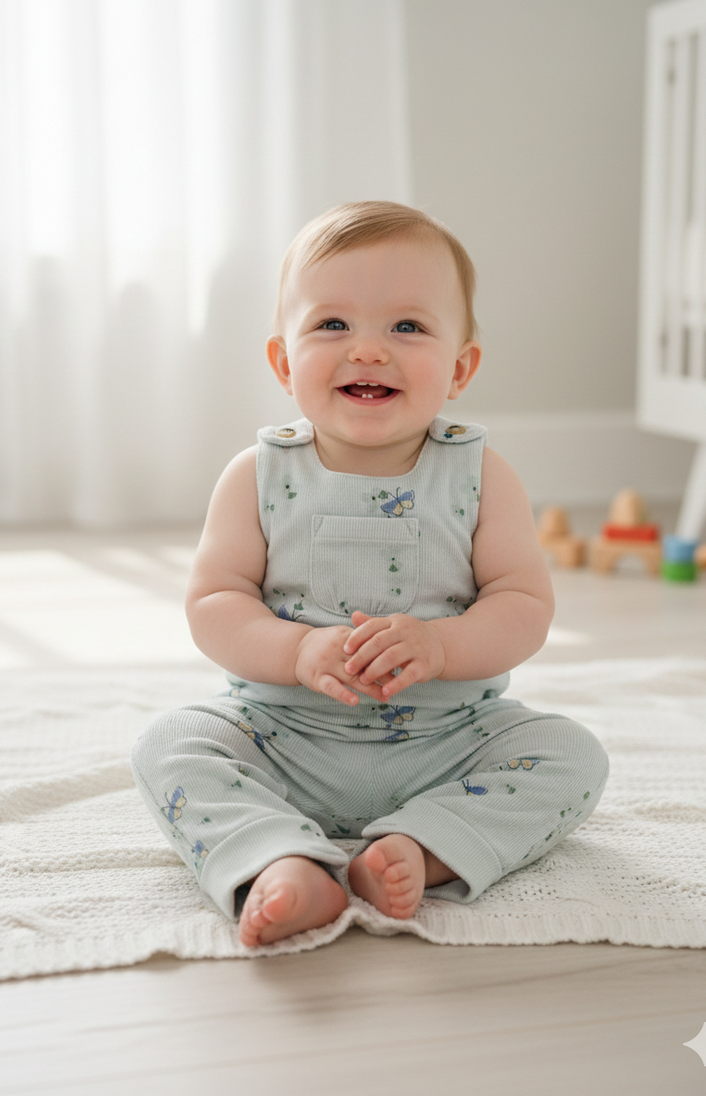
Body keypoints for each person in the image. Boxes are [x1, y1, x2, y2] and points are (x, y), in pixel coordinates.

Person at [131, 201, 609, 948]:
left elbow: (523, 603)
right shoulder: (256, 474)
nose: (370, 351)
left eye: (407, 327)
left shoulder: (482, 475)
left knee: (573, 755)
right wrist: (292, 651)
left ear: (460, 367)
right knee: (172, 741)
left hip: (450, 740)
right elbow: (214, 602)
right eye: (332, 325)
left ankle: (420, 845)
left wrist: (445, 646)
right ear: (284, 362)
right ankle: (281, 859)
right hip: (283, 734)